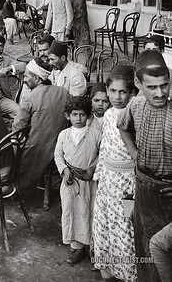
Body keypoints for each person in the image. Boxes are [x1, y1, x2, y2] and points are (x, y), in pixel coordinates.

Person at [118, 50, 172, 282]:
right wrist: (133, 152)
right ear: (138, 84)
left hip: (170, 194)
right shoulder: (136, 105)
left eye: (165, 85)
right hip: (144, 190)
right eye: (152, 87)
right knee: (146, 251)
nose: (160, 93)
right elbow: (123, 127)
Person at [92, 65, 137, 281]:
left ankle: (128, 274)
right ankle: (108, 270)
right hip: (108, 180)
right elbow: (105, 147)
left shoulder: (136, 116)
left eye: (123, 92)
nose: (117, 97)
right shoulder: (108, 114)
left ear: (132, 92)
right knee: (104, 223)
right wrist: (100, 175)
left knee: (126, 228)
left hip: (128, 183)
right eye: (112, 91)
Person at [54, 96, 101, 265]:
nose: (78, 118)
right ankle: (77, 247)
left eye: (82, 115)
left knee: (88, 212)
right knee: (71, 213)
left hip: (89, 183)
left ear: (88, 116)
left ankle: (92, 248)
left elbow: (102, 156)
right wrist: (64, 170)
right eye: (74, 114)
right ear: (68, 116)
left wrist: (92, 170)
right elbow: (58, 155)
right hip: (70, 183)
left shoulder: (96, 134)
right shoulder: (64, 135)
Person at [12, 58, 69, 189]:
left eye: (26, 76)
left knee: (8, 149)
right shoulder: (63, 92)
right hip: (61, 145)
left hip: (37, 150)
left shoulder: (29, 98)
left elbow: (18, 127)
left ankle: (14, 185)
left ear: (37, 79)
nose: (24, 79)